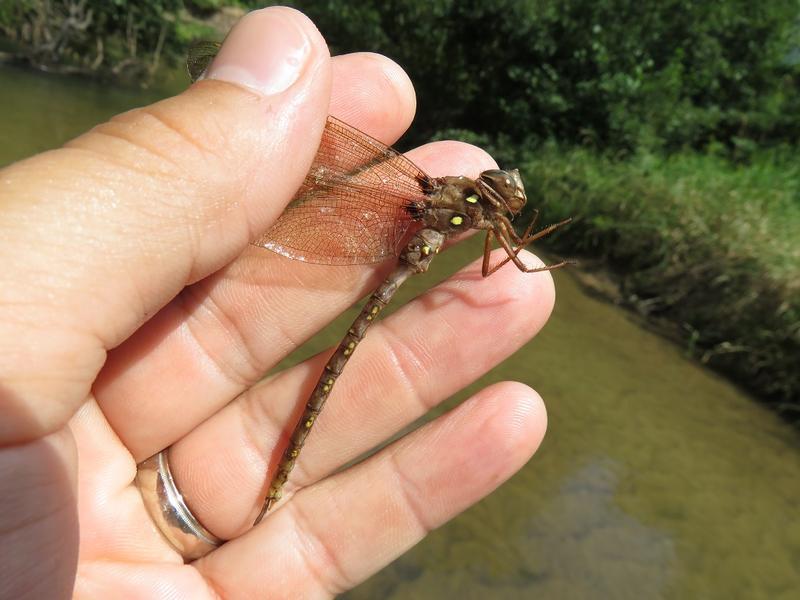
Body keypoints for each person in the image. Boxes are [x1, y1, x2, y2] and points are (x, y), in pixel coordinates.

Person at [0, 7, 552, 598]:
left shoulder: (467, 204)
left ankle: (268, 491)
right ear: (487, 199)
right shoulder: (455, 203)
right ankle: (268, 489)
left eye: (504, 196)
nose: (507, 197)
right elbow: (504, 256)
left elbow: (501, 252)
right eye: (501, 195)